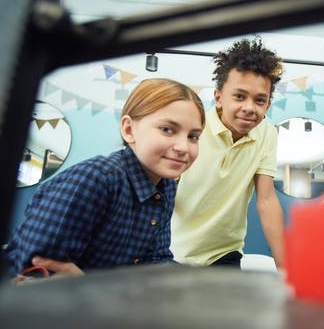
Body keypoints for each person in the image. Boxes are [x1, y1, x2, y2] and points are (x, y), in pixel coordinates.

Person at [6, 78, 205, 279]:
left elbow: (155, 259)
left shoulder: (167, 184)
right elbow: (33, 270)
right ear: (128, 130)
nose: (183, 147)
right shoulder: (93, 180)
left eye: (193, 136)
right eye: (167, 129)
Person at [170, 37, 285, 268]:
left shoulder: (267, 133)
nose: (249, 108)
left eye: (260, 100)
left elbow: (266, 200)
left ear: (268, 105)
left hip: (225, 253)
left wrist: (287, 269)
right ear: (218, 97)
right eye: (239, 96)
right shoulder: (194, 127)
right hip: (173, 252)